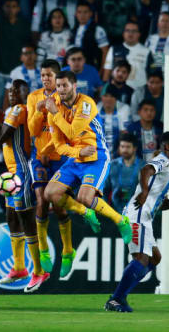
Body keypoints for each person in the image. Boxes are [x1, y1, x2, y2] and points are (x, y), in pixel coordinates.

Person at [43, 71, 132, 244]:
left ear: (74, 86)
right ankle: (85, 212)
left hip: (96, 156)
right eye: (58, 86)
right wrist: (77, 153)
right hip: (76, 158)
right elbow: (59, 145)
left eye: (65, 85)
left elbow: (72, 131)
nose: (61, 89)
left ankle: (121, 220)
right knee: (50, 193)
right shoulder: (55, 109)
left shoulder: (86, 103)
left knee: (84, 198)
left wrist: (54, 113)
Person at [105, 131, 169, 312]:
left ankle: (120, 297)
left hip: (144, 216)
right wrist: (143, 192)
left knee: (155, 258)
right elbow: (145, 170)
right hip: (138, 216)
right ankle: (116, 299)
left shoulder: (167, 167)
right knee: (141, 258)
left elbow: (157, 203)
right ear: (167, 147)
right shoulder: (163, 160)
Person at [0, 80, 49, 292]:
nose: (13, 93)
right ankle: (19, 267)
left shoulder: (19, 109)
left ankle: (38, 270)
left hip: (23, 171)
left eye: (18, 90)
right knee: (11, 217)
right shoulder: (9, 111)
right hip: (11, 172)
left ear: (26, 94)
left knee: (25, 218)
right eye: (10, 90)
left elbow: (0, 137)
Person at [26, 60, 78, 278]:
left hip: (61, 157)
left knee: (58, 204)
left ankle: (68, 249)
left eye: (49, 75)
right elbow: (32, 130)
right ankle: (43, 248)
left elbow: (70, 131)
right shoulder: (33, 97)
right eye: (43, 74)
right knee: (41, 200)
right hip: (39, 157)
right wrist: (39, 112)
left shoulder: (65, 98)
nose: (46, 78)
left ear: (58, 79)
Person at [103, 21, 152, 87]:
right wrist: (105, 89)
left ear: (139, 34)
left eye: (134, 31)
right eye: (127, 30)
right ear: (123, 33)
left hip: (138, 91)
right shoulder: (114, 49)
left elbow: (151, 75)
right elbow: (107, 72)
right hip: (117, 91)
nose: (130, 33)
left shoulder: (147, 51)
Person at [104, 133, 143, 213]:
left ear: (135, 148)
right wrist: (106, 210)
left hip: (137, 213)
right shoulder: (111, 166)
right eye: (122, 147)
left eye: (128, 147)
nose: (125, 150)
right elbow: (104, 190)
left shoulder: (144, 167)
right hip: (114, 213)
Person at [98, 84, 131, 156]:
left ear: (116, 98)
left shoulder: (124, 109)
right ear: (101, 97)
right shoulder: (96, 109)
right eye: (106, 96)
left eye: (112, 96)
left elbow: (125, 133)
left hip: (119, 152)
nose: (108, 99)